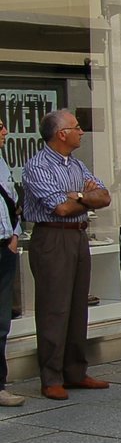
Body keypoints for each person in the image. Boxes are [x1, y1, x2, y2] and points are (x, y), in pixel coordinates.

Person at [21, 110, 113, 402]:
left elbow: (105, 196)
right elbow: (58, 208)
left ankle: (75, 371)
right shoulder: (38, 166)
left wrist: (77, 197)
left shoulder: (76, 164)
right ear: (61, 134)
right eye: (76, 127)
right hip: (52, 236)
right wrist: (83, 198)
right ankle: (51, 377)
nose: (81, 131)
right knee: (54, 308)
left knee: (77, 305)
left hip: (78, 235)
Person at [0, 118, 23, 406]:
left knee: (1, 321)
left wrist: (15, 235)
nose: (5, 131)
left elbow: (12, 201)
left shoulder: (3, 161)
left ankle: (0, 385)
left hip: (4, 247)